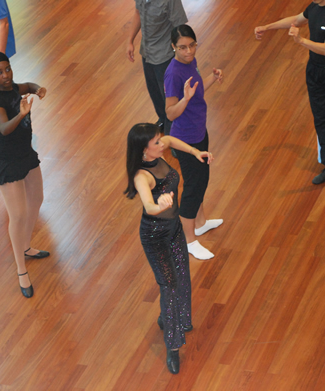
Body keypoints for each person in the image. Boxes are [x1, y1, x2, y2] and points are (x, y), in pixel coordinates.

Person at [124, 123, 213, 374]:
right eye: (156, 142)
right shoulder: (141, 176)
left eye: (159, 139)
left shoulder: (162, 149)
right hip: (155, 236)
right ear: (144, 150)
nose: (162, 143)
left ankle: (172, 317)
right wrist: (159, 203)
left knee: (183, 275)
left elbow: (173, 140)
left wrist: (196, 152)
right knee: (170, 285)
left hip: (173, 229)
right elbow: (149, 208)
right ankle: (172, 347)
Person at [254, 0, 325, 184]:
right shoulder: (313, 7)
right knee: (321, 117)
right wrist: (267, 27)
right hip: (314, 71)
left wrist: (300, 40)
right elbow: (296, 19)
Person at [0, 52, 50, 299]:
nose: (6, 76)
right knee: (18, 214)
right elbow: (3, 128)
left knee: (37, 199)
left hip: (25, 153)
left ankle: (25, 247)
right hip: (7, 160)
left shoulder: (14, 87)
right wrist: (22, 114)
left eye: (8, 69)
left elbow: (29, 85)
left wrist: (38, 89)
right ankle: (21, 270)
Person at [164, 24, 223, 260]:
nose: (188, 51)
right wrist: (185, 99)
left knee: (202, 179)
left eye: (192, 45)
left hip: (200, 131)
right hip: (186, 139)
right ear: (173, 47)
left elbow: (196, 92)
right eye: (182, 47)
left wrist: (212, 77)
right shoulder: (173, 73)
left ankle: (200, 223)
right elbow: (170, 113)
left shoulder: (190, 63)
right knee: (193, 187)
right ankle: (188, 240)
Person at [125, 0, 188, 133]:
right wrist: (130, 40)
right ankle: (163, 120)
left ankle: (174, 132)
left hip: (165, 56)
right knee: (154, 91)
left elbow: (180, 27)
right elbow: (138, 13)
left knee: (169, 97)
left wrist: (183, 56)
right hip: (147, 53)